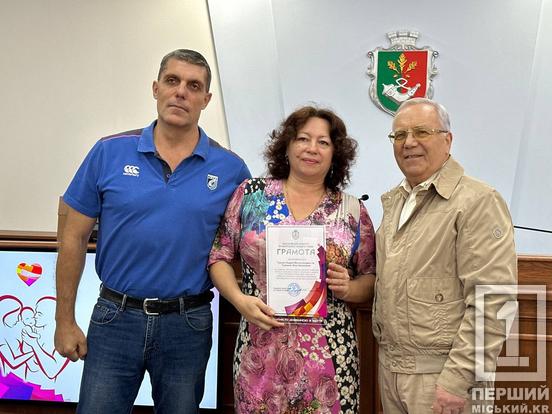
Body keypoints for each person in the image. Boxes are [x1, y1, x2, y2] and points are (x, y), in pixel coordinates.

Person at [54, 49, 251, 413]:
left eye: (194, 86)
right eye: (172, 81)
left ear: (206, 100)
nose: (181, 92)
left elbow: (249, 245)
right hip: (115, 317)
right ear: (156, 88)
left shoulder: (231, 169)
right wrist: (64, 320)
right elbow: (72, 237)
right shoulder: (108, 152)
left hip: (188, 324)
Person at [209, 106, 376, 413]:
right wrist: (238, 300)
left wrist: (350, 289)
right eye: (303, 138)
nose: (312, 148)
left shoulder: (351, 211)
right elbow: (220, 255)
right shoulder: (251, 195)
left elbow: (371, 277)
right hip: (259, 348)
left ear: (335, 153)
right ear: (286, 145)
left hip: (329, 355)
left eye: (323, 142)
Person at [373, 98, 517, 413]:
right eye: (399, 135)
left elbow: (493, 299)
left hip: (443, 378)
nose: (409, 142)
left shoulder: (477, 201)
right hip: (392, 372)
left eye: (422, 132)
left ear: (447, 139)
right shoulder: (395, 201)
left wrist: (458, 379)